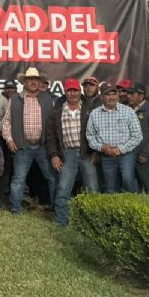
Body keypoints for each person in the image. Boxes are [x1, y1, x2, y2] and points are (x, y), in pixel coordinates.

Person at [2, 67, 57, 214]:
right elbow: (6, 122)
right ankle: (16, 209)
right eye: (30, 79)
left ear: (40, 82)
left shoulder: (48, 100)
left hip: (43, 146)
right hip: (22, 147)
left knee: (52, 177)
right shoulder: (15, 99)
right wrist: (9, 140)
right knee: (18, 179)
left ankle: (57, 207)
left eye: (36, 80)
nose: (33, 82)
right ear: (24, 82)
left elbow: (54, 124)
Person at [45, 79, 98, 226]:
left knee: (92, 188)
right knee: (63, 187)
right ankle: (61, 221)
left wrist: (96, 152)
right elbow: (50, 136)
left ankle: (92, 222)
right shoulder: (56, 111)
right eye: (69, 90)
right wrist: (54, 155)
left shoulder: (89, 108)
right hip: (67, 153)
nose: (73, 93)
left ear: (80, 92)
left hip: (87, 153)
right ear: (65, 92)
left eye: (75, 90)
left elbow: (97, 131)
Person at [86, 82, 143, 194]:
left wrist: (120, 149)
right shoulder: (94, 114)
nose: (111, 97)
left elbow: (137, 135)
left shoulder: (128, 111)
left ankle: (137, 200)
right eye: (107, 94)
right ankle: (115, 205)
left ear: (117, 95)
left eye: (114, 94)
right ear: (101, 97)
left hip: (126, 154)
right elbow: (90, 136)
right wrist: (102, 148)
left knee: (127, 179)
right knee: (110, 187)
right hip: (106, 155)